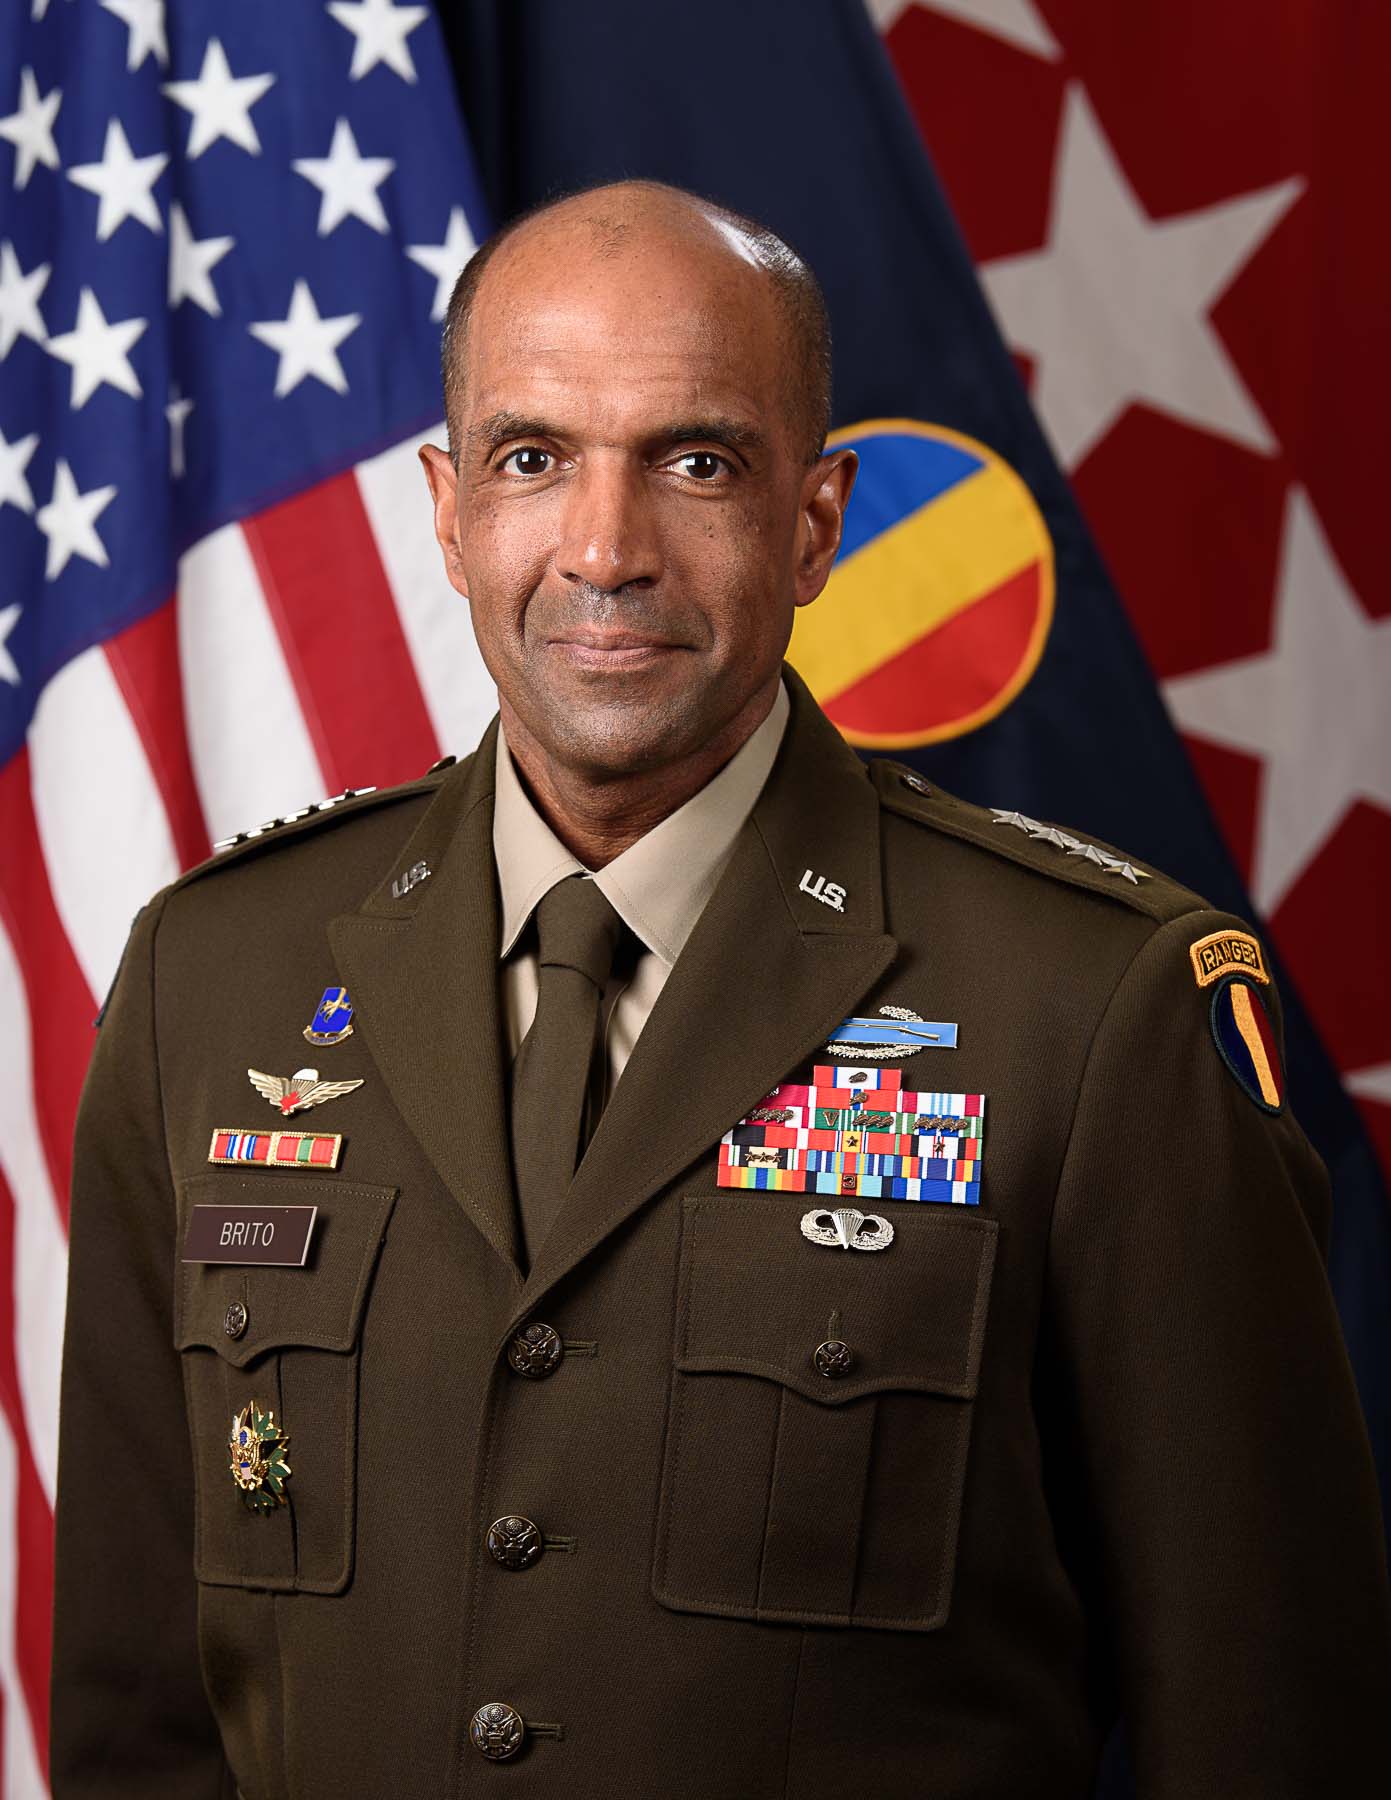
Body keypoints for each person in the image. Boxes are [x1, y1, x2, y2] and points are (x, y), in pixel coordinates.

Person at [51, 180, 1391, 1798]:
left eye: (696, 462)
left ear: (818, 522)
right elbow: (141, 1723)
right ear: (450, 508)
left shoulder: (1094, 1007)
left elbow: (1269, 1737)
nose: (605, 552)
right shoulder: (217, 980)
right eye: (533, 459)